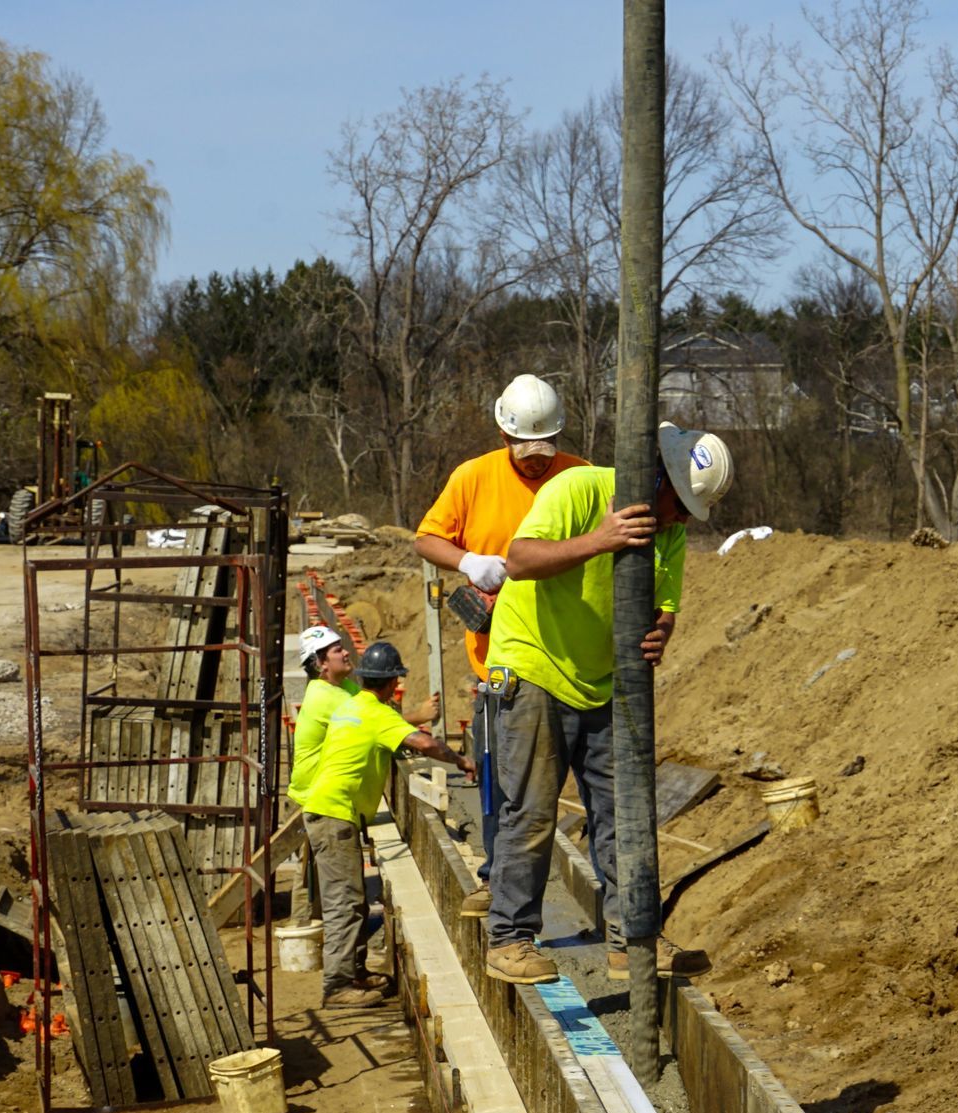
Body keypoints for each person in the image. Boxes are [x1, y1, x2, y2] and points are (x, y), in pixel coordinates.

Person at [482, 423, 733, 986]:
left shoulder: (667, 528)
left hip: (604, 677)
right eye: (681, 503)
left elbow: (665, 603)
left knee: (624, 814)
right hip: (534, 666)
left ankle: (630, 939)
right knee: (532, 811)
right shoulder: (578, 489)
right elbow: (520, 559)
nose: (684, 520)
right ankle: (510, 940)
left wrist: (661, 630)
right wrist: (602, 539)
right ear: (655, 478)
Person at [415, 374, 588, 918]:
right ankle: (496, 878)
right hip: (501, 666)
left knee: (551, 789)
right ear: (502, 432)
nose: (536, 461)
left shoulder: (579, 475)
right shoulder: (473, 478)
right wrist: (467, 561)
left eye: (545, 449)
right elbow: (426, 537)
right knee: (500, 782)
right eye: (525, 449)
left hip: (570, 657)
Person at [301, 641, 476, 1009]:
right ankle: (337, 986)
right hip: (334, 815)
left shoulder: (353, 706)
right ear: (392, 683)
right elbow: (423, 743)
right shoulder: (378, 715)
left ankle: (355, 972)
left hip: (330, 810)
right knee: (344, 904)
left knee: (354, 901)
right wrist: (461, 761)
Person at [286, 625, 436, 925]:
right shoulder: (324, 696)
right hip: (319, 794)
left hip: (327, 794)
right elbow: (373, 719)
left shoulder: (344, 690)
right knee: (329, 881)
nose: (345, 652)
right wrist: (419, 716)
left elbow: (374, 706)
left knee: (321, 871)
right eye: (336, 649)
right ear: (321, 663)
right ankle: (304, 929)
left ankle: (311, 927)